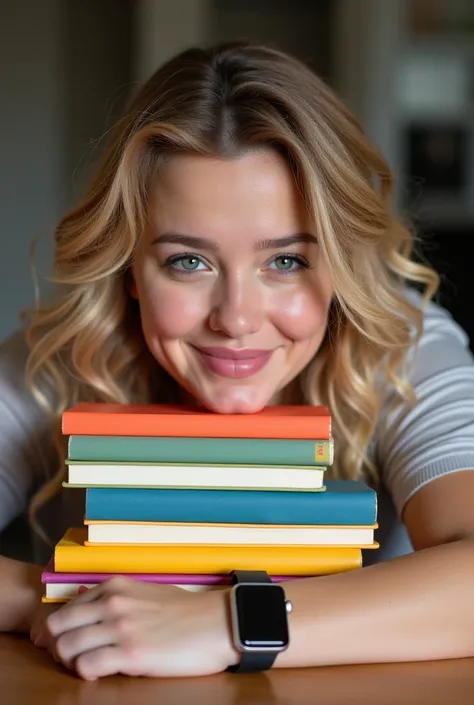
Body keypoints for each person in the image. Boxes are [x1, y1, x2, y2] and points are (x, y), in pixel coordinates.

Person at [0, 41, 473, 680]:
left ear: (340, 264)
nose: (237, 318)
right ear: (131, 270)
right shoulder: (64, 355)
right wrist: (75, 600)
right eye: (187, 261)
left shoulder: (400, 344)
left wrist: (228, 622)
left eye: (286, 261)